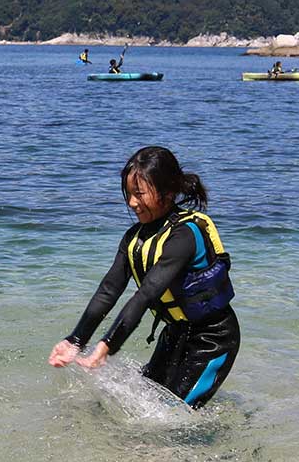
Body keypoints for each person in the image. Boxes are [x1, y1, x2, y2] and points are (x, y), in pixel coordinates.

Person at [48, 146, 239, 409]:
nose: (132, 203)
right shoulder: (133, 239)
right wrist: (75, 341)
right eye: (129, 194)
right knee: (147, 400)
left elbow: (147, 294)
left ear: (169, 191)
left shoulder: (183, 235)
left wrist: (107, 346)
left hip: (212, 339)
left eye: (139, 194)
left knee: (176, 415)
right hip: (175, 332)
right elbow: (108, 290)